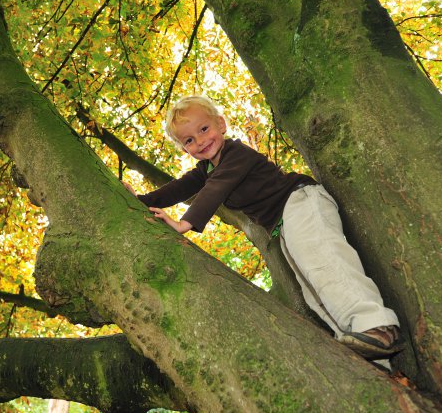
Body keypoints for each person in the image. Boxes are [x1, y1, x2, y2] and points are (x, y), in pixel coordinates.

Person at [126, 95, 403, 359]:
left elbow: (216, 189)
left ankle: (375, 324)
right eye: (189, 140)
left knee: (323, 261)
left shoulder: (236, 154)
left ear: (221, 125)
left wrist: (184, 223)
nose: (200, 141)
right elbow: (178, 188)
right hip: (283, 222)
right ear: (185, 149)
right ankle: (367, 348)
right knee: (311, 287)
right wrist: (141, 201)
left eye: (204, 128)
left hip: (300, 201)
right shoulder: (207, 169)